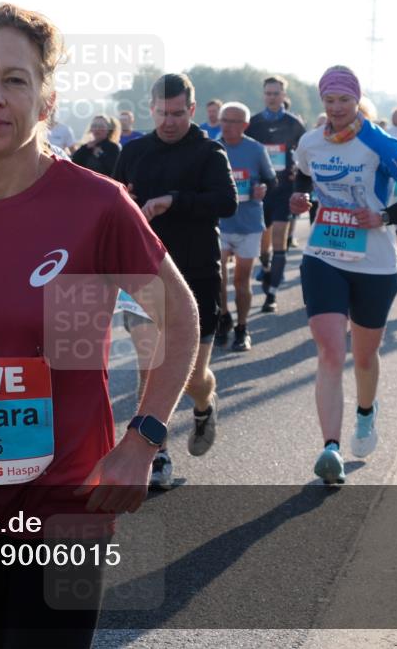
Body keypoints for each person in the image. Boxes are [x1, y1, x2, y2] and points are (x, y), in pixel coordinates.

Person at [0, 3, 199, 649]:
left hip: (67, 510)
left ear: (46, 100)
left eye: (16, 80)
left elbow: (180, 318)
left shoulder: (98, 206)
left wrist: (144, 439)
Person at [291, 66, 397, 485]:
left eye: (343, 101)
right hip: (323, 255)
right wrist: (300, 198)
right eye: (329, 101)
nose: (335, 109)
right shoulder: (311, 141)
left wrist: (384, 216)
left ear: (357, 101)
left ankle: (366, 414)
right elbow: (302, 176)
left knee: (365, 355)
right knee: (332, 352)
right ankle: (330, 448)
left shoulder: (378, 143)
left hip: (374, 263)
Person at [113, 72, 237, 488]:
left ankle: (204, 406)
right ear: (151, 109)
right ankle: (156, 455)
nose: (169, 121)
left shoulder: (208, 152)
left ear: (192, 109)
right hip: (144, 277)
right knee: (150, 367)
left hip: (197, 275)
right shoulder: (134, 152)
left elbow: (227, 202)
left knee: (191, 377)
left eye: (178, 113)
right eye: (163, 113)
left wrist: (174, 201)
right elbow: (115, 201)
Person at [215, 102, 276, 351]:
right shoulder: (212, 148)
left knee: (241, 281)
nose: (228, 126)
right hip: (219, 223)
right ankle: (223, 318)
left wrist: (264, 188)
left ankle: (242, 328)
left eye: (234, 122)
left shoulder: (256, 149)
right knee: (217, 277)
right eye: (224, 120)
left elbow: (272, 180)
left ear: (245, 125)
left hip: (249, 223)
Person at [245, 75, 306, 313]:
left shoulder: (294, 124)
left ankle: (271, 294)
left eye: (276, 93)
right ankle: (267, 267)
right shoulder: (254, 123)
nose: (272, 97)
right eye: (268, 93)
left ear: (283, 96)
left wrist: (297, 171)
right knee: (264, 245)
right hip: (261, 192)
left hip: (284, 191)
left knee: (279, 239)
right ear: (264, 95)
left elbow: (306, 153)